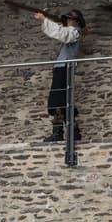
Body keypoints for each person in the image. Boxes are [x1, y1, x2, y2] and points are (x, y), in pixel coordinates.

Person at [35, 8, 86, 142]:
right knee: (61, 101)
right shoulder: (72, 31)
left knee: (60, 101)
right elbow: (61, 31)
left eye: (71, 19)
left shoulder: (74, 32)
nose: (68, 21)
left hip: (65, 69)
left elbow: (61, 33)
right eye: (68, 19)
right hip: (61, 68)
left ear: (76, 21)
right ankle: (70, 132)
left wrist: (44, 19)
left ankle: (60, 133)